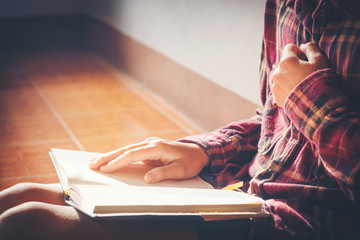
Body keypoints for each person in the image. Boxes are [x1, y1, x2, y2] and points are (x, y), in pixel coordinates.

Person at [1, 0, 360, 239]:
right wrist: (205, 151)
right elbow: (277, 121)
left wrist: (312, 100)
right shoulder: (285, 4)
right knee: (24, 195)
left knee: (30, 223)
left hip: (303, 226)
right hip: (248, 201)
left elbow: (303, 107)